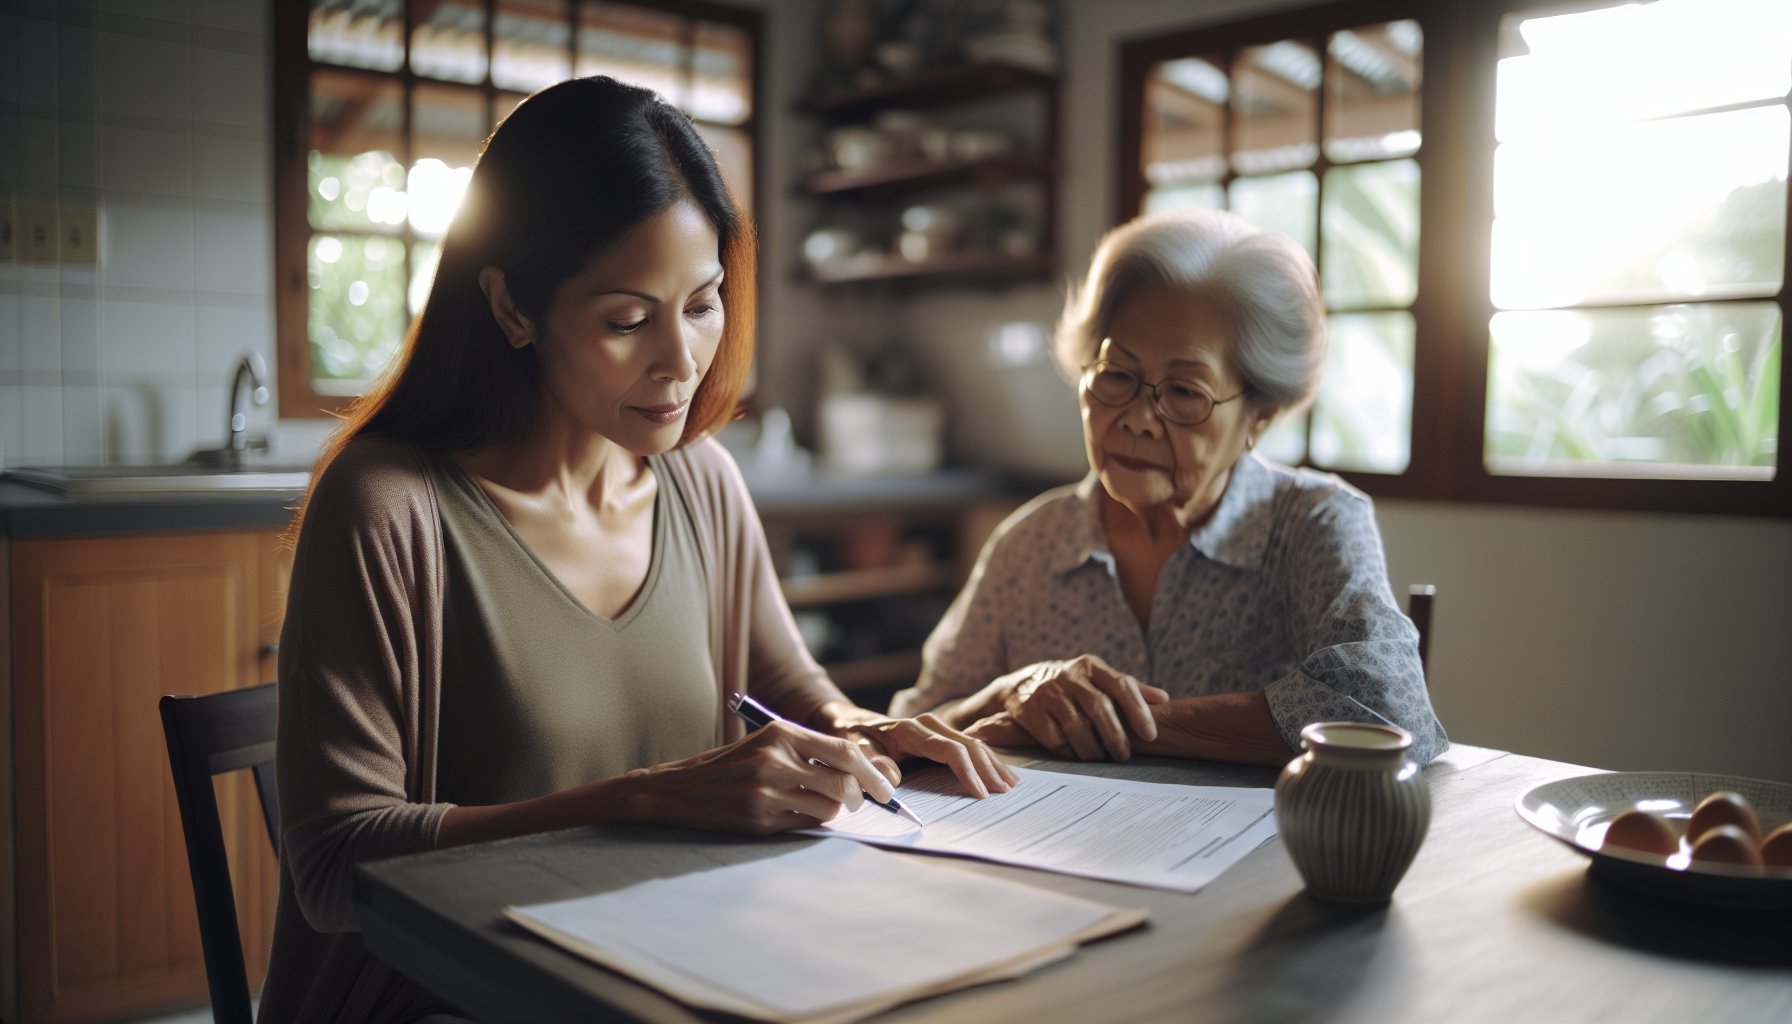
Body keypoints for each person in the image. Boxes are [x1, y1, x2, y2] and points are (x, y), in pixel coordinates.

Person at [260, 77, 1014, 1024]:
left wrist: (857, 729)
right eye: (627, 320)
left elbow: (787, 688)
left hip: (649, 966)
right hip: (436, 996)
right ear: (512, 308)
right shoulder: (388, 506)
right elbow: (334, 863)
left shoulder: (701, 483)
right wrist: (649, 799)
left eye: (702, 306)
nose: (681, 361)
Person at [891, 208, 1447, 768]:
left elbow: (1390, 716)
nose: (1137, 417)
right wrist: (1014, 692)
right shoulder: (1031, 545)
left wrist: (1121, 725)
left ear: (1259, 417)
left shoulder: (1311, 525)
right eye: (1116, 374)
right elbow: (915, 725)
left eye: (1183, 391)